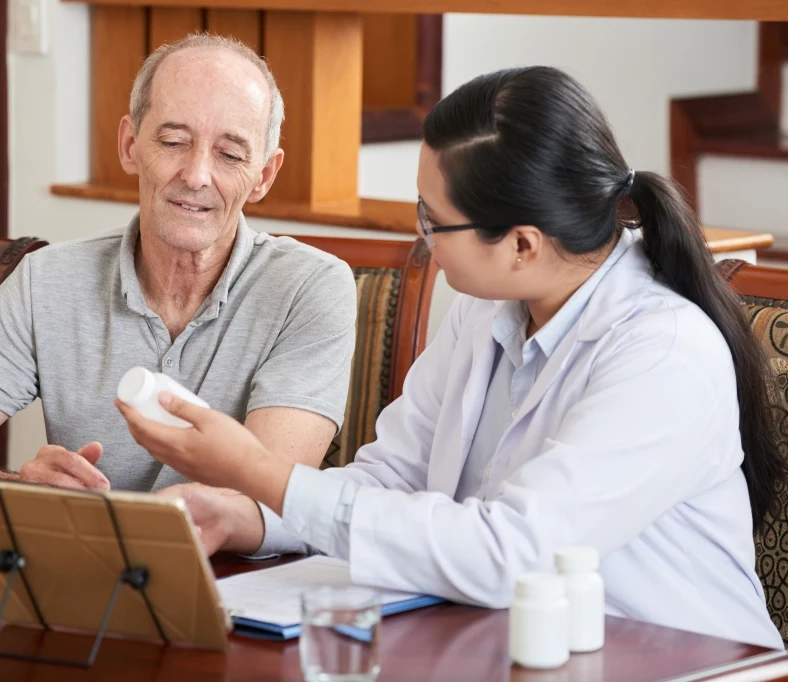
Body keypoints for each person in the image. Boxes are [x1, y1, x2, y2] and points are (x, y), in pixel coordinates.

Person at [117, 66, 786, 649]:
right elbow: (392, 479)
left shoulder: (662, 351)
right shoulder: (489, 305)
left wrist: (259, 471)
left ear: (522, 243)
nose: (423, 235)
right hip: (509, 648)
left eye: (433, 220)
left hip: (685, 661)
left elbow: (512, 555)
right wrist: (250, 515)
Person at [0, 34, 357, 588]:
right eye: (174, 141)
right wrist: (21, 500)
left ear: (264, 175)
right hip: (73, 593)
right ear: (130, 145)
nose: (198, 175)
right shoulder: (45, 281)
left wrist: (66, 526)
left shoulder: (313, 286)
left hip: (235, 604)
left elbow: (266, 492)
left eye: (230, 154)